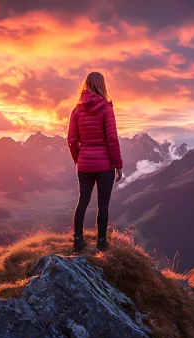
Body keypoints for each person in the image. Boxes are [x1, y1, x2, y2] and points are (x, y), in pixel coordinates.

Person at [67, 72, 123, 252]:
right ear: (102, 85)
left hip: (84, 164)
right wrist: (118, 165)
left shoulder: (76, 110)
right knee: (103, 204)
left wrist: (78, 159)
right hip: (105, 165)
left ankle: (78, 240)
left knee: (82, 200)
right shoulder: (106, 108)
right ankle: (101, 242)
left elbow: (71, 139)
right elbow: (112, 139)